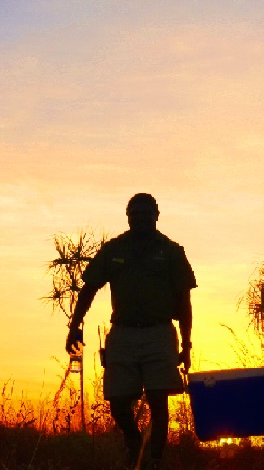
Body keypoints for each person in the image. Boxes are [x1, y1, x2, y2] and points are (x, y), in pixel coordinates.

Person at [67, 193, 196, 470]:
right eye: (134, 213)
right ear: (127, 217)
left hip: (159, 333)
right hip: (123, 333)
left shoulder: (171, 251)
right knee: (117, 400)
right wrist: (75, 326)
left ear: (156, 216)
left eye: (146, 213)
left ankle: (156, 459)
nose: (140, 218)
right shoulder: (115, 249)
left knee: (158, 399)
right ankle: (135, 442)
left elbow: (184, 300)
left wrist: (186, 344)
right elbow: (89, 288)